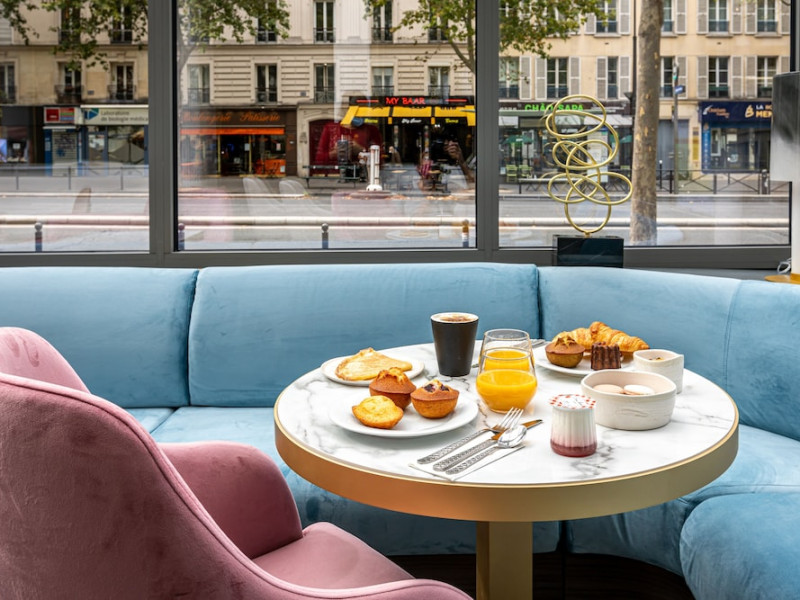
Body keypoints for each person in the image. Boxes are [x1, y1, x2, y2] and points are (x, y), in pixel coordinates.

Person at [313, 118, 383, 172]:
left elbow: (380, 159)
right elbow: (318, 160)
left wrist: (362, 150)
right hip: (334, 175)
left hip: (363, 174)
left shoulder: (371, 130)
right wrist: (334, 153)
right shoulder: (331, 128)